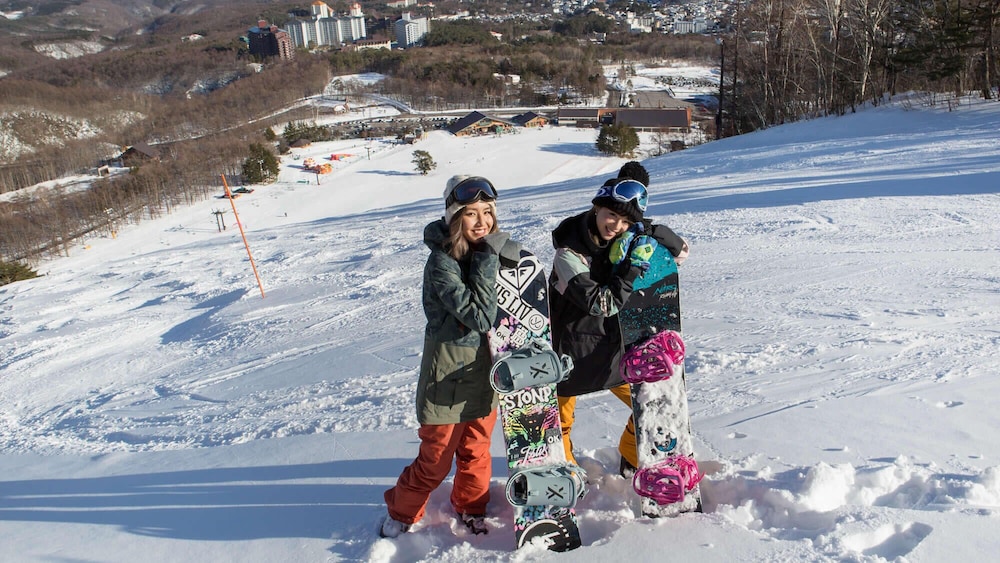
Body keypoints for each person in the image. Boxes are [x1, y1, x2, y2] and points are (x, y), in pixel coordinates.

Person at [381, 175, 520, 538]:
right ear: (454, 217)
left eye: (487, 212)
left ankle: (471, 505)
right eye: (471, 213)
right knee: (436, 460)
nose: (481, 222)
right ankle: (402, 511)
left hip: (484, 373)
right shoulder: (441, 263)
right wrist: (489, 259)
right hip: (446, 377)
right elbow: (479, 315)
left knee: (477, 450)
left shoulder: (486, 252)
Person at [548, 162, 689, 477]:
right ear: (596, 207)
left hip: (615, 345)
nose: (615, 225)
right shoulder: (569, 253)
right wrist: (632, 269)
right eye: (611, 215)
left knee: (653, 404)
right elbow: (601, 303)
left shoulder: (626, 240)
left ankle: (630, 452)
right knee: (560, 421)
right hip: (571, 346)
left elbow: (680, 254)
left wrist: (646, 232)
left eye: (625, 221)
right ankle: (565, 472)